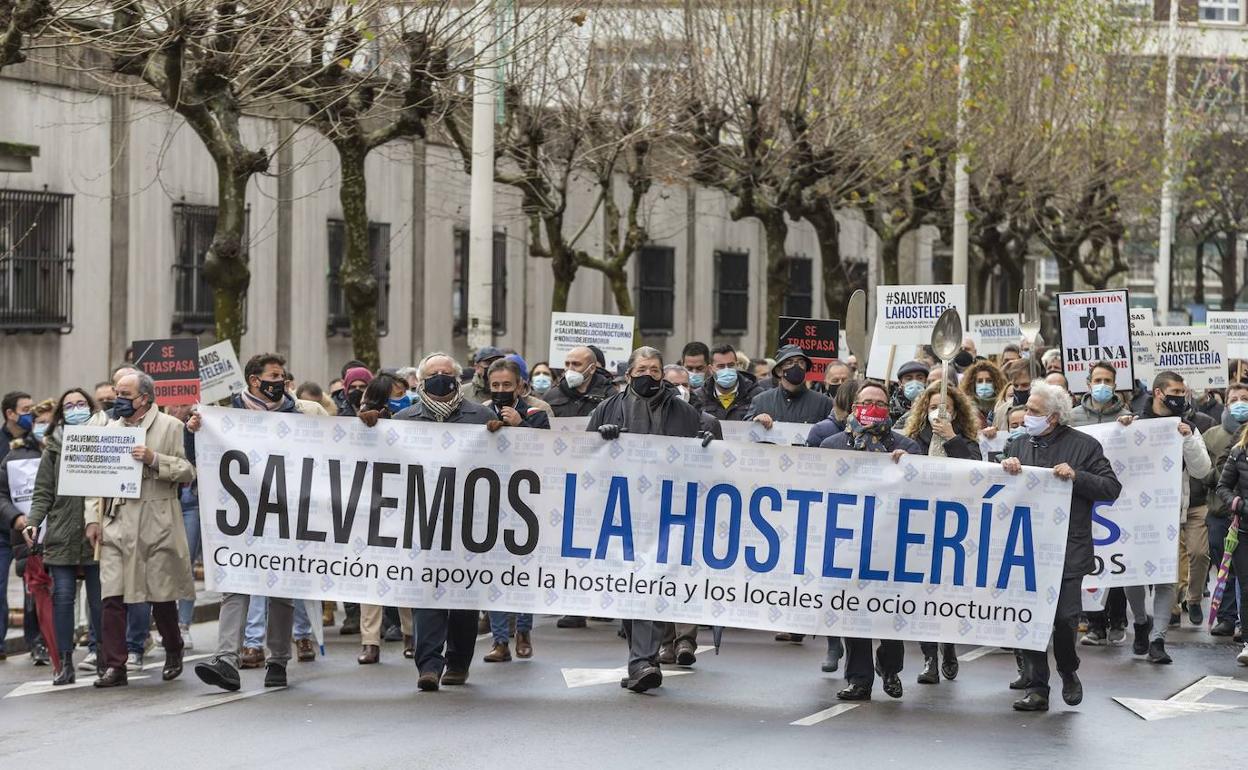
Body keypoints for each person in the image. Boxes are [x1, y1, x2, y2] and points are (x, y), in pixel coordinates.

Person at [190, 353, 324, 691]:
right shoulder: (225, 415)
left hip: (285, 513)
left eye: (282, 376)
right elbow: (199, 459)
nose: (281, 382)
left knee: (281, 586)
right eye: (275, 375)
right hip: (240, 514)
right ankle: (227, 659)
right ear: (254, 380)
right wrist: (193, 433)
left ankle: (278, 659)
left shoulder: (298, 415)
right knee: (235, 582)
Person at [588, 346, 708, 693]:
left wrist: (706, 444)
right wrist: (601, 439)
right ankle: (640, 658)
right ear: (628, 374)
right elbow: (582, 458)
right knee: (629, 586)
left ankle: (643, 661)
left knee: (649, 582)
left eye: (655, 370)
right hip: (620, 513)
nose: (649, 375)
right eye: (642, 369)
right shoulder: (606, 409)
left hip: (665, 514)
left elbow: (704, 449)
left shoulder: (684, 412)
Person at [1002, 380, 1123, 712]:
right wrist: (1005, 469)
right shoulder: (1018, 445)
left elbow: (1112, 487)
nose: (1026, 415)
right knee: (1030, 619)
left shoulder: (1085, 446)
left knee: (1065, 620)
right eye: (1026, 409)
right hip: (1026, 548)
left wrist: (1077, 476)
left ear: (1053, 417)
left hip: (1069, 548)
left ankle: (1068, 670)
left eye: (1033, 411)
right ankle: (1038, 687)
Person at [392, 353, 496, 692]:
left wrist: (507, 431)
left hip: (469, 524)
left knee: (463, 598)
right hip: (423, 521)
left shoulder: (481, 417)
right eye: (434, 373)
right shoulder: (404, 420)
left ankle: (458, 662)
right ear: (421, 381)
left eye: (447, 373)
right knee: (427, 594)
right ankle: (429, 665)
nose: (441, 377)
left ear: (458, 378)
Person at [86, 372, 194, 687]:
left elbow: (189, 469)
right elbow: (95, 479)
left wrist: (154, 458)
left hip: (157, 520)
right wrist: (93, 519)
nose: (117, 398)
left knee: (160, 595)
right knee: (112, 596)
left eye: (124, 393)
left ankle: (173, 648)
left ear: (144, 398)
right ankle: (115, 665)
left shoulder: (171, 427)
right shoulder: (110, 430)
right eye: (116, 392)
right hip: (116, 521)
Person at [818, 382, 920, 700]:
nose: (872, 407)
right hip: (848, 544)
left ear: (888, 409)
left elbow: (921, 493)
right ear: (854, 407)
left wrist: (910, 468)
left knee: (888, 613)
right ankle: (859, 679)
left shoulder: (906, 447)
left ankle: (889, 669)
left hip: (891, 545)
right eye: (866, 401)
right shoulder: (832, 446)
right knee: (854, 613)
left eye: (880, 402)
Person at [1118, 372, 1211, 664]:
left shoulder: (1186, 427)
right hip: (1133, 514)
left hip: (1168, 513)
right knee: (1132, 576)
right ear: (1159, 393)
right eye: (1176, 390)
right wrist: (1121, 432)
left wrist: (1187, 440)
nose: (1181, 396)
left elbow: (1201, 470)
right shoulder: (1133, 423)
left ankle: (1158, 638)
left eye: (1183, 391)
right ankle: (1140, 622)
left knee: (1165, 578)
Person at [900, 383, 982, 685]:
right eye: (934, 405)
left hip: (954, 528)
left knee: (947, 592)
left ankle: (948, 644)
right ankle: (929, 657)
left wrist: (952, 439)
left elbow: (976, 472)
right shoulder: (911, 440)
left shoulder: (966, 441)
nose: (939, 412)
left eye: (946, 406)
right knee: (922, 593)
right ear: (925, 409)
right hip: (920, 524)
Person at [20, 389, 103, 684]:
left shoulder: (106, 438)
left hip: (97, 533)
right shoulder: (53, 448)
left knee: (99, 600)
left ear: (91, 409)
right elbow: (42, 492)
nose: (75, 409)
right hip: (61, 532)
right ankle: (64, 662)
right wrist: (33, 523)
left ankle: (103, 657)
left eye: (81, 404)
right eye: (69, 406)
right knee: (63, 597)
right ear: (61, 414)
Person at [478, 358, 549, 663]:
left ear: (520, 385)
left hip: (526, 503)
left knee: (522, 570)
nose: (501, 390)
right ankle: (499, 640)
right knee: (494, 572)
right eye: (496, 386)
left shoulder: (537, 413)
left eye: (507, 385)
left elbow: (551, 451)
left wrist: (521, 427)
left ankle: (523, 631)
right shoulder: (478, 414)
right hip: (490, 501)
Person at [1205, 382, 1248, 637]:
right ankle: (1227, 617)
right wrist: (1234, 500)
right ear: (1226, 402)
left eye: (1245, 397)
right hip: (1223, 513)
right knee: (1225, 566)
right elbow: (1208, 476)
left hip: (1241, 517)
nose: (1241, 402)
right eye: (1235, 398)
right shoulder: (1213, 435)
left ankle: (1243, 623)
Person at [1214, 406, 1248, 665]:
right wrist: (1235, 503)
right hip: (1244, 531)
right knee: (1247, 587)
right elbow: (1222, 486)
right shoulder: (1239, 453)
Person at [745, 345, 833, 427]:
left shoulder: (823, 403)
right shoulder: (761, 401)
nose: (796, 366)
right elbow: (744, 431)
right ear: (779, 371)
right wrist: (755, 422)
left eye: (801, 362)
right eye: (789, 363)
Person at [697, 344, 763, 421]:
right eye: (721, 366)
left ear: (737, 365)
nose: (726, 370)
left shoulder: (757, 394)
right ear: (711, 369)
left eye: (731, 365)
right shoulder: (699, 397)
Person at [544, 346, 612, 419]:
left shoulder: (609, 396)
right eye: (567, 364)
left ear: (592, 368)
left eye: (576, 364)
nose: (570, 369)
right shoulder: (551, 396)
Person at [960, 360, 1006, 429]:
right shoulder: (966, 408)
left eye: (989, 381)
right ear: (973, 384)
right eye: (980, 381)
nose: (984, 384)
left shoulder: (1003, 406)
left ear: (996, 383)